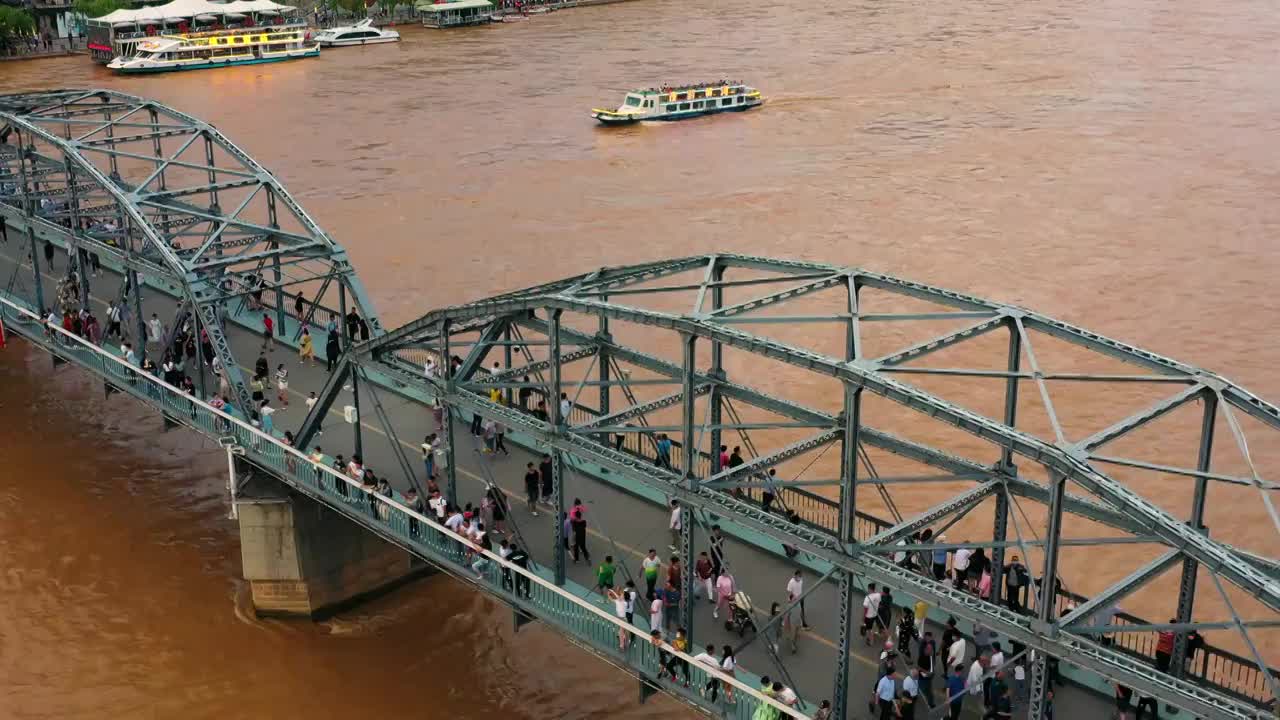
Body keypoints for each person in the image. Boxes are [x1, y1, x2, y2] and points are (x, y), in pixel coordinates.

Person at [917, 631, 937, 708]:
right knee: (921, 688)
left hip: (928, 677)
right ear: (926, 649)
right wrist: (927, 672)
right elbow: (918, 667)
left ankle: (931, 703)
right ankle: (913, 695)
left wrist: (931, 672)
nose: (932, 651)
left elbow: (932, 664)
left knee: (928, 691)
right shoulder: (922, 657)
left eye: (932, 649)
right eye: (930, 649)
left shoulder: (931, 655)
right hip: (923, 677)